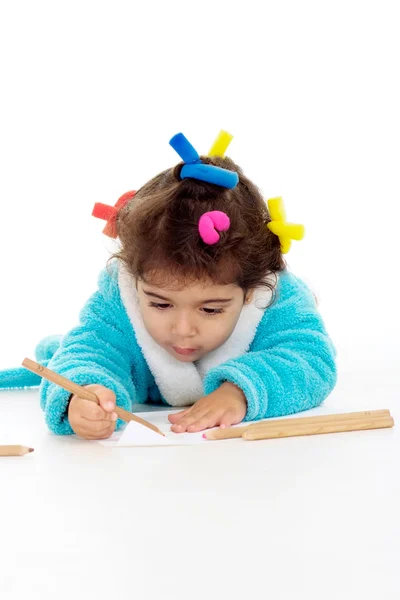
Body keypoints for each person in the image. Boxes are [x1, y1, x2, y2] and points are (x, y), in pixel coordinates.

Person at [0, 131, 337, 440]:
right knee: (67, 355)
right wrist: (83, 393)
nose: (182, 329)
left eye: (211, 309)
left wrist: (241, 391)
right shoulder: (120, 296)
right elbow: (91, 348)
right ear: (135, 281)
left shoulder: (273, 297)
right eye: (161, 304)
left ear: (250, 292)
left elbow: (311, 359)